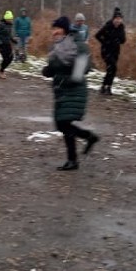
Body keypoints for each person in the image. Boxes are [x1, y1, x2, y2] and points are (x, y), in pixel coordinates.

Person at [42, 16, 99, 171]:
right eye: (53, 29)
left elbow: (82, 69)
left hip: (74, 89)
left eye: (57, 29)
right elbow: (55, 66)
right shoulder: (57, 47)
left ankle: (74, 158)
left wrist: (65, 80)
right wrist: (48, 71)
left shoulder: (79, 45)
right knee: (62, 124)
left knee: (63, 123)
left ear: (65, 29)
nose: (54, 32)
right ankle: (87, 140)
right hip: (61, 89)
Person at [94, 7, 126, 95]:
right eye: (116, 19)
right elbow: (97, 35)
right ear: (113, 19)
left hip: (115, 51)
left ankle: (106, 86)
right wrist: (105, 42)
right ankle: (107, 86)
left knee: (111, 69)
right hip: (106, 51)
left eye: (120, 19)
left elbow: (123, 40)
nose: (118, 21)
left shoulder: (121, 27)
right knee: (113, 67)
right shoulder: (108, 26)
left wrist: (119, 39)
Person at [0, 10, 17, 79]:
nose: (11, 20)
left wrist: (13, 40)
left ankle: (2, 69)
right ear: (6, 19)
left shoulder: (10, 25)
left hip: (7, 44)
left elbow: (9, 35)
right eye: (10, 19)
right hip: (2, 44)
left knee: (10, 58)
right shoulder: (1, 25)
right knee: (5, 58)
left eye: (11, 19)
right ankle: (1, 72)